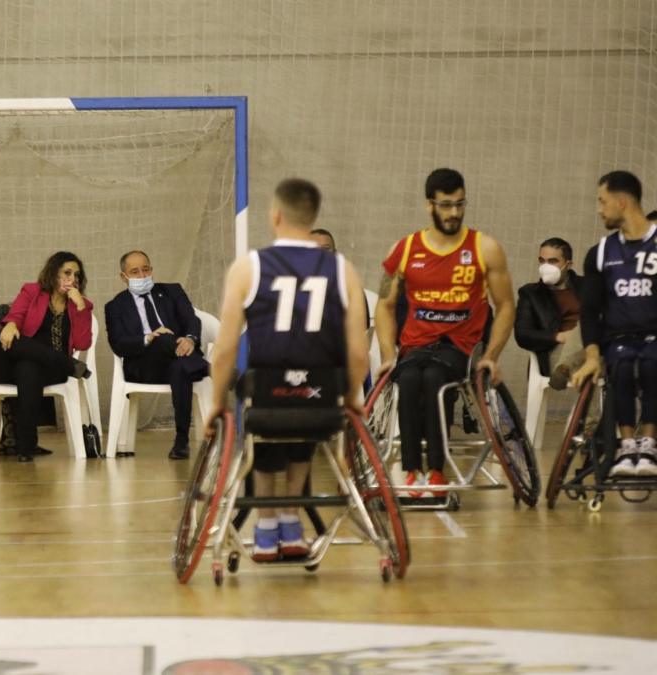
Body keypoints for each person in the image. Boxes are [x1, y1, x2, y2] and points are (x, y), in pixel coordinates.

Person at [206, 178, 368, 561]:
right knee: (307, 414)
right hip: (321, 399)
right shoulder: (342, 269)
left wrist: (216, 402)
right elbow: (359, 352)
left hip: (267, 396)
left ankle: (265, 529)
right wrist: (353, 397)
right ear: (312, 218)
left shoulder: (250, 267)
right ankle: (292, 524)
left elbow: (225, 349)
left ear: (275, 215)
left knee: (263, 419)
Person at [374, 168, 516, 498]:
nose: (454, 212)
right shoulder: (404, 249)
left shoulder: (485, 247)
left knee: (435, 378)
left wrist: (492, 356)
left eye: (460, 204)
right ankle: (412, 471)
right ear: (430, 205)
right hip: (415, 346)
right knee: (408, 380)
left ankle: (436, 471)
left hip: (460, 347)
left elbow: (507, 305)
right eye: (446, 205)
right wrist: (386, 354)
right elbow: (383, 304)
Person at [571, 171, 657, 477]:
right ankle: (627, 445)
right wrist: (592, 356)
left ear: (622, 202)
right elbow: (589, 311)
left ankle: (649, 443)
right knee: (620, 364)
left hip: (654, 337)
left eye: (603, 201)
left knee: (651, 362)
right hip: (618, 338)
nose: (599, 209)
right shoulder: (601, 252)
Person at [0, 251, 94, 463]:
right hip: (5, 362)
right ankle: (69, 365)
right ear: (53, 273)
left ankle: (26, 447)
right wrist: (10, 324)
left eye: (76, 275)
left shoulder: (81, 305)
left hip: (45, 370)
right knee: (6, 342)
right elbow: (17, 314)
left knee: (28, 368)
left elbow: (83, 343)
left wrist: (81, 308)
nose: (72, 279)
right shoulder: (32, 291)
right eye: (66, 272)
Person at [105, 250, 209, 459]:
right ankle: (209, 367)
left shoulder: (172, 291)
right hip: (144, 366)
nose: (142, 276)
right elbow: (118, 344)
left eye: (146, 269)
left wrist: (189, 338)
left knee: (180, 368)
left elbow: (191, 319)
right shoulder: (115, 306)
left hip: (179, 361)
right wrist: (148, 338)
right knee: (161, 338)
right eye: (135, 272)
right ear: (123, 277)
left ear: (152, 269)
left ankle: (181, 441)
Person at [514, 238, 584, 390]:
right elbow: (523, 335)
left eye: (553, 261)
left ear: (568, 264)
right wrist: (559, 336)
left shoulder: (588, 287)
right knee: (592, 359)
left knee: (588, 328)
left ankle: (566, 367)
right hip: (556, 352)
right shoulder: (530, 293)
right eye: (542, 261)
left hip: (591, 348)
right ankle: (588, 414)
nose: (546, 267)